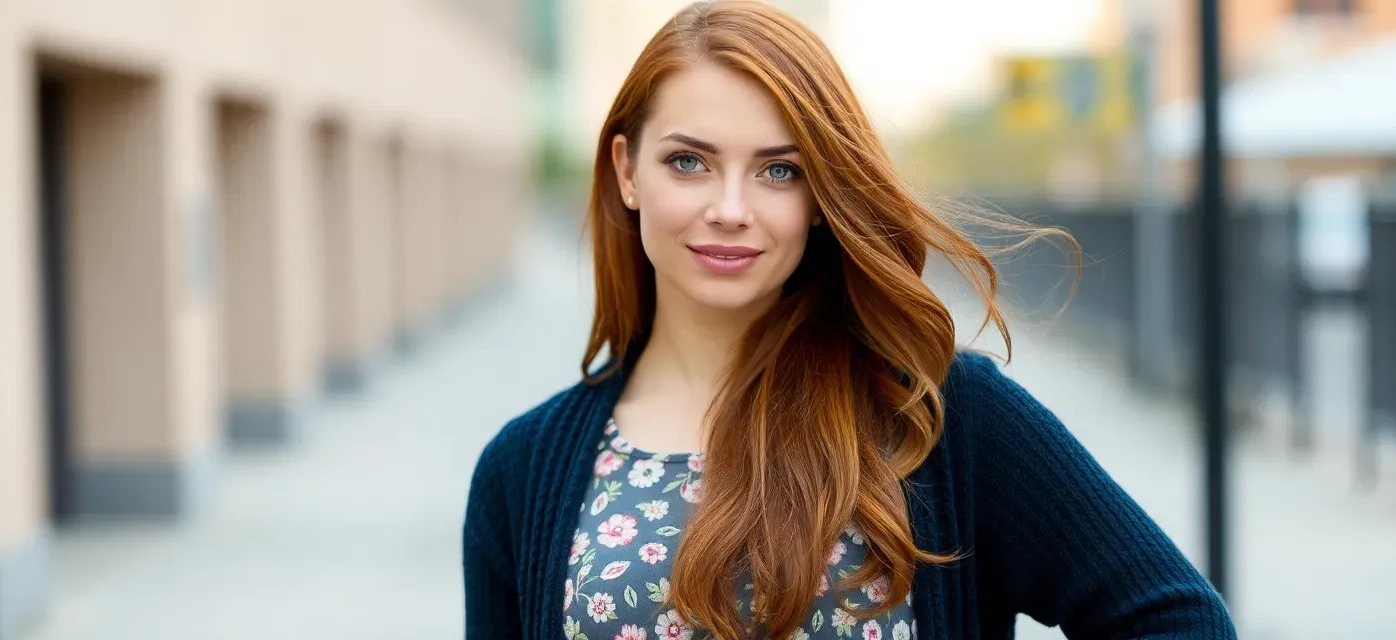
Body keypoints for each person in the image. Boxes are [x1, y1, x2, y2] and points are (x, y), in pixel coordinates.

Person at [462, 2, 1237, 638]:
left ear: (822, 196)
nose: (730, 210)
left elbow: (1178, 621)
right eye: (689, 162)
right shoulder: (523, 469)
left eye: (779, 170)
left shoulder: (936, 418)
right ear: (628, 171)